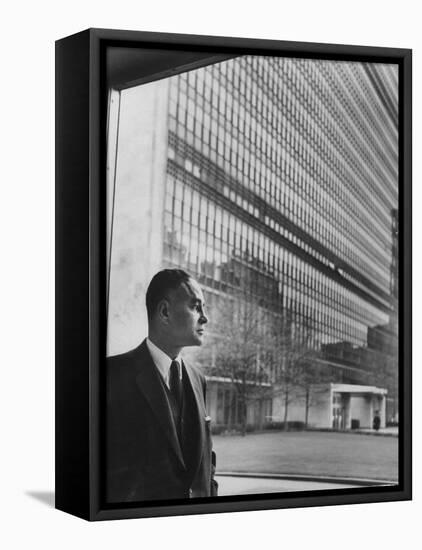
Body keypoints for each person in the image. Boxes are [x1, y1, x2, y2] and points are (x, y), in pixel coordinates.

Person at [106, 269, 218, 503]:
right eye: (196, 306)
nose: (205, 318)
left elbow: (207, 461)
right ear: (165, 312)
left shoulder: (199, 379)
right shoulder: (111, 376)